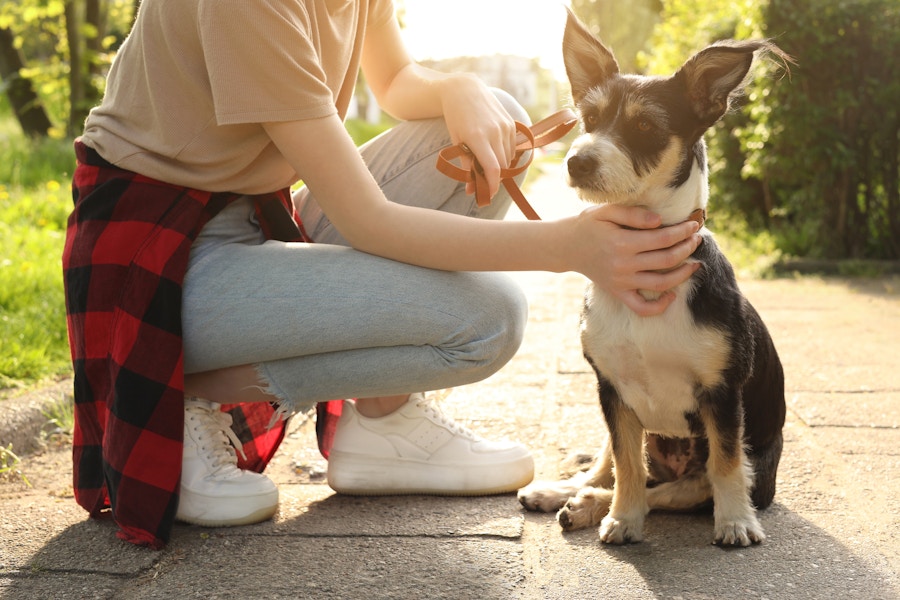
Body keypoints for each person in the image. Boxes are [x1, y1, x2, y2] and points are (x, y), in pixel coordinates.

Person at [62, 0, 702, 549]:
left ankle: (383, 421)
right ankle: (177, 388)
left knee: (498, 122)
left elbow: (393, 79)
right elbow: (368, 219)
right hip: (157, 257)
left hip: (259, 219)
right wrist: (566, 245)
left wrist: (457, 88)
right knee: (488, 320)